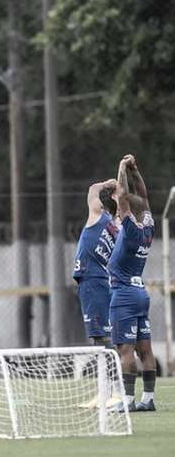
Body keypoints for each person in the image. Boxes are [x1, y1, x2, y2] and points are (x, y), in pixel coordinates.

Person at [109, 155, 156, 412]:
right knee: (145, 350)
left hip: (124, 293)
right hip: (140, 292)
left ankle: (127, 401)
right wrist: (135, 170)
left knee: (124, 349)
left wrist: (121, 169)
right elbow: (143, 197)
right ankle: (148, 399)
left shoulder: (129, 231)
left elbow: (125, 195)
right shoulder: (148, 228)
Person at [73, 179, 119, 346]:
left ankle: (111, 370)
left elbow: (93, 188)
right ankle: (114, 368)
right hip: (102, 279)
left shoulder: (98, 217)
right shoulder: (116, 230)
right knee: (107, 332)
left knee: (101, 335)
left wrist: (106, 184)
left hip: (92, 278)